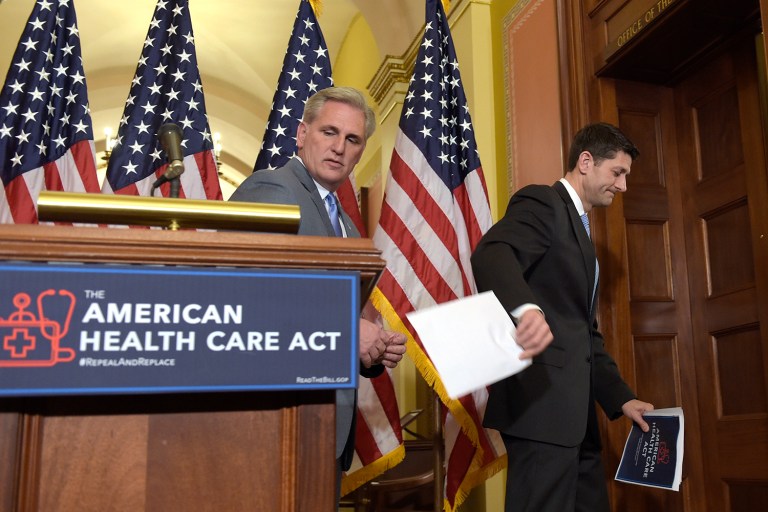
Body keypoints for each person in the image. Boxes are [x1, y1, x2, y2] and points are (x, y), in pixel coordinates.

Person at [230, 86, 407, 499]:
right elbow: (246, 296)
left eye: (352, 139)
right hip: (277, 419)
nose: (339, 147)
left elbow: (324, 307)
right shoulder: (272, 189)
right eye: (329, 132)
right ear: (301, 133)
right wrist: (348, 331)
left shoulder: (343, 219)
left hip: (326, 426)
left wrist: (370, 347)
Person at [470, 122, 654, 511]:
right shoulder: (543, 202)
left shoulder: (581, 231)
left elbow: (584, 332)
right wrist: (526, 309)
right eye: (617, 173)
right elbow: (493, 253)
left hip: (577, 417)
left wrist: (622, 399)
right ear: (586, 162)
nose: (622, 186)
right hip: (542, 409)